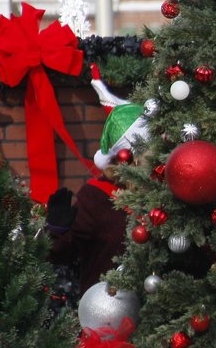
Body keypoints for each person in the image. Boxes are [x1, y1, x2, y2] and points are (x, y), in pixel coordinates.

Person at [47, 103, 150, 295]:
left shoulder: (168, 194)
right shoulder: (96, 196)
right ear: (126, 158)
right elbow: (63, 254)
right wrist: (56, 231)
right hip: (108, 309)